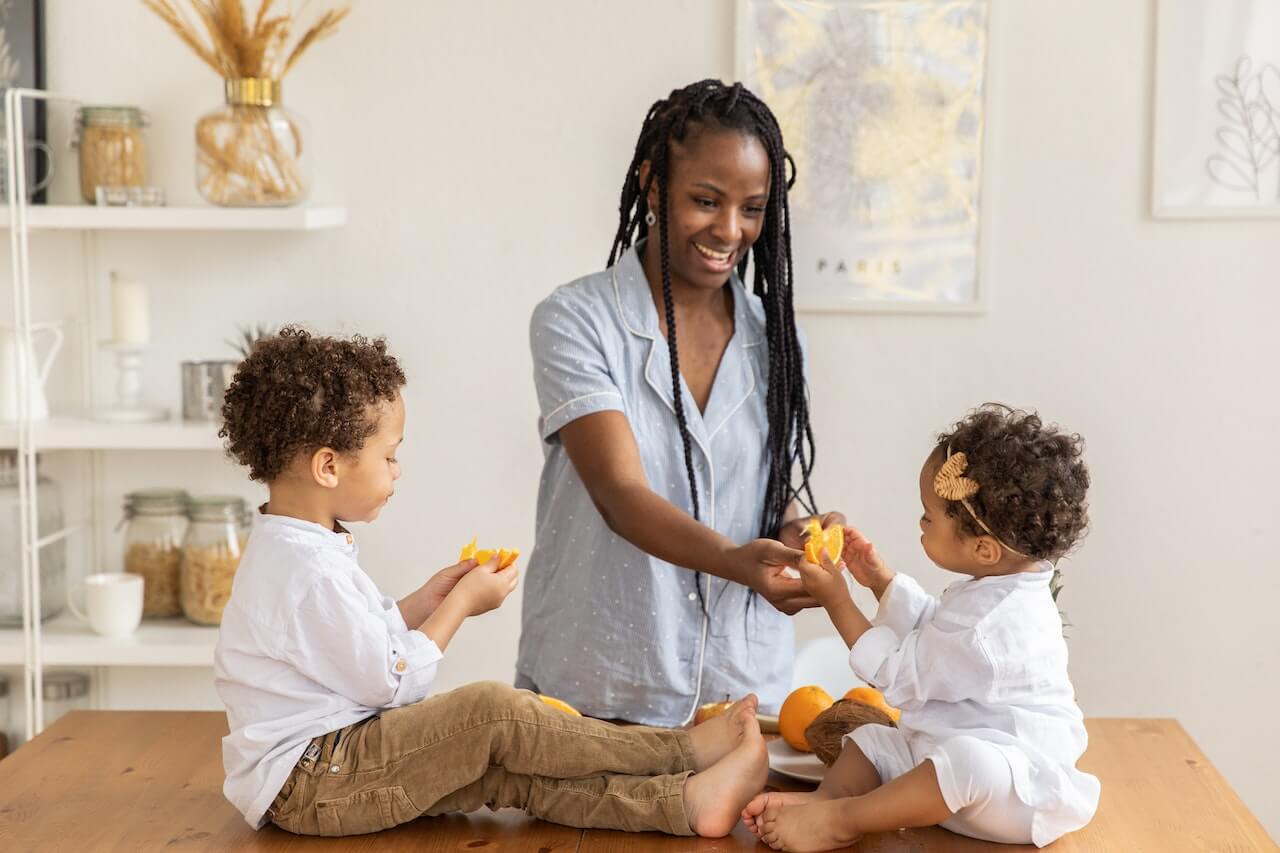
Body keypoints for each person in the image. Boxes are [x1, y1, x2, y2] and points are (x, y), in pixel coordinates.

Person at [213, 327, 768, 838]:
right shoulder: (304, 570)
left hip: (321, 775)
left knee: (508, 771)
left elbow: (341, 649)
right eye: (390, 455)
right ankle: (682, 752)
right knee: (495, 714)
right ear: (329, 467)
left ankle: (683, 803)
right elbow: (387, 681)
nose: (397, 471)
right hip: (320, 778)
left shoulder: (297, 547)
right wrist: (457, 608)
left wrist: (419, 604)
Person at [518, 79, 844, 724]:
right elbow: (620, 493)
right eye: (705, 200)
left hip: (743, 691)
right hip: (602, 686)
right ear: (652, 183)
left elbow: (759, 485)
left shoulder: (773, 336)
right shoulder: (577, 320)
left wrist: (798, 535)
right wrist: (731, 560)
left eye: (752, 208)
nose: (730, 229)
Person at [745, 405, 1100, 850]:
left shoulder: (993, 626)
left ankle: (844, 818)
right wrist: (881, 581)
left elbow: (901, 675)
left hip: (1014, 793)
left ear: (984, 549)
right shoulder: (999, 590)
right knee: (872, 741)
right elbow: (936, 633)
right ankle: (826, 801)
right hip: (949, 773)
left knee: (968, 761)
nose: (920, 523)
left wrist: (837, 599)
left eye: (929, 517)